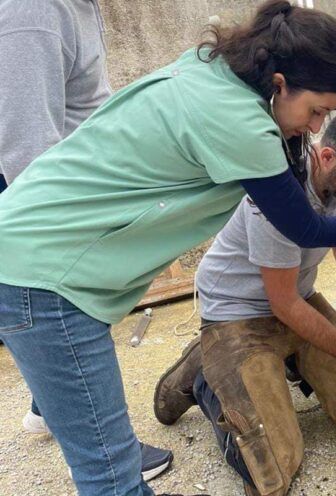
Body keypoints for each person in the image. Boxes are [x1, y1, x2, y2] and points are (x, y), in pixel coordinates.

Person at [0, 1, 336, 495]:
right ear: (280, 84)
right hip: (42, 279)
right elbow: (307, 229)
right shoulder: (242, 129)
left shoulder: (223, 73)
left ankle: (71, 407)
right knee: (114, 477)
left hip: (42, 261)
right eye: (315, 113)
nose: (315, 128)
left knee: (99, 435)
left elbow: (328, 88)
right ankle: (201, 374)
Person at [154, 108, 336, 496]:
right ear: (327, 155)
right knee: (271, 468)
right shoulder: (278, 193)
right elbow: (283, 306)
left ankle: (290, 358)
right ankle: (203, 375)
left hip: (295, 297)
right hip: (240, 311)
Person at [0, 0, 171, 485]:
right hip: (45, 220)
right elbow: (25, 150)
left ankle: (51, 411)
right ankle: (105, 455)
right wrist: (75, 251)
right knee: (65, 323)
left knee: (64, 329)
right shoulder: (35, 11)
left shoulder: (77, 6)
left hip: (62, 205)